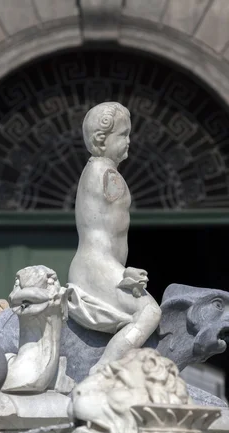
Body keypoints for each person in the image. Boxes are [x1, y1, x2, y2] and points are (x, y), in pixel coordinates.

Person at [67, 101, 162, 374]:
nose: (129, 141)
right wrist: (120, 274)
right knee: (150, 313)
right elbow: (102, 238)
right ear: (101, 139)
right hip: (95, 267)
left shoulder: (101, 172)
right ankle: (105, 369)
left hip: (103, 265)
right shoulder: (103, 173)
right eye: (123, 135)